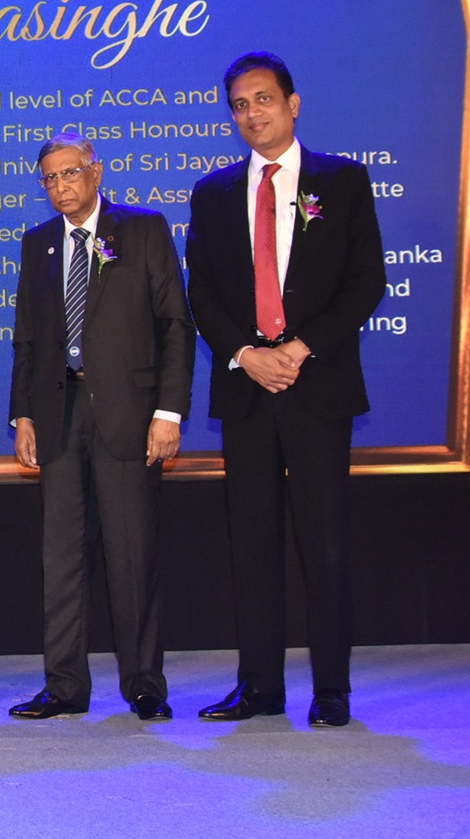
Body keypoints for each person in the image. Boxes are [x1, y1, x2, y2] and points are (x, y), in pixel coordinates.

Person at [187, 51, 385, 728]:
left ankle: (331, 689)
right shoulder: (213, 192)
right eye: (239, 105)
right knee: (252, 544)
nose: (252, 114)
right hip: (247, 391)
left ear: (293, 105)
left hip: (316, 384)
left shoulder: (342, 180)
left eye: (263, 99)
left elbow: (366, 282)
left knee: (324, 543)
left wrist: (296, 349)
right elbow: (203, 293)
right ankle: (260, 687)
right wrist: (247, 354)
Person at [7, 133, 194, 722]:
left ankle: (145, 685)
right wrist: (23, 414)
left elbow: (175, 325)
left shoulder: (142, 230)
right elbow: (27, 338)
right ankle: (64, 686)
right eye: (50, 178)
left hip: (129, 416)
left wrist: (168, 412)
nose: (60, 186)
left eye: (70, 173)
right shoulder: (38, 243)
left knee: (132, 554)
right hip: (58, 416)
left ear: (96, 172)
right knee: (61, 559)